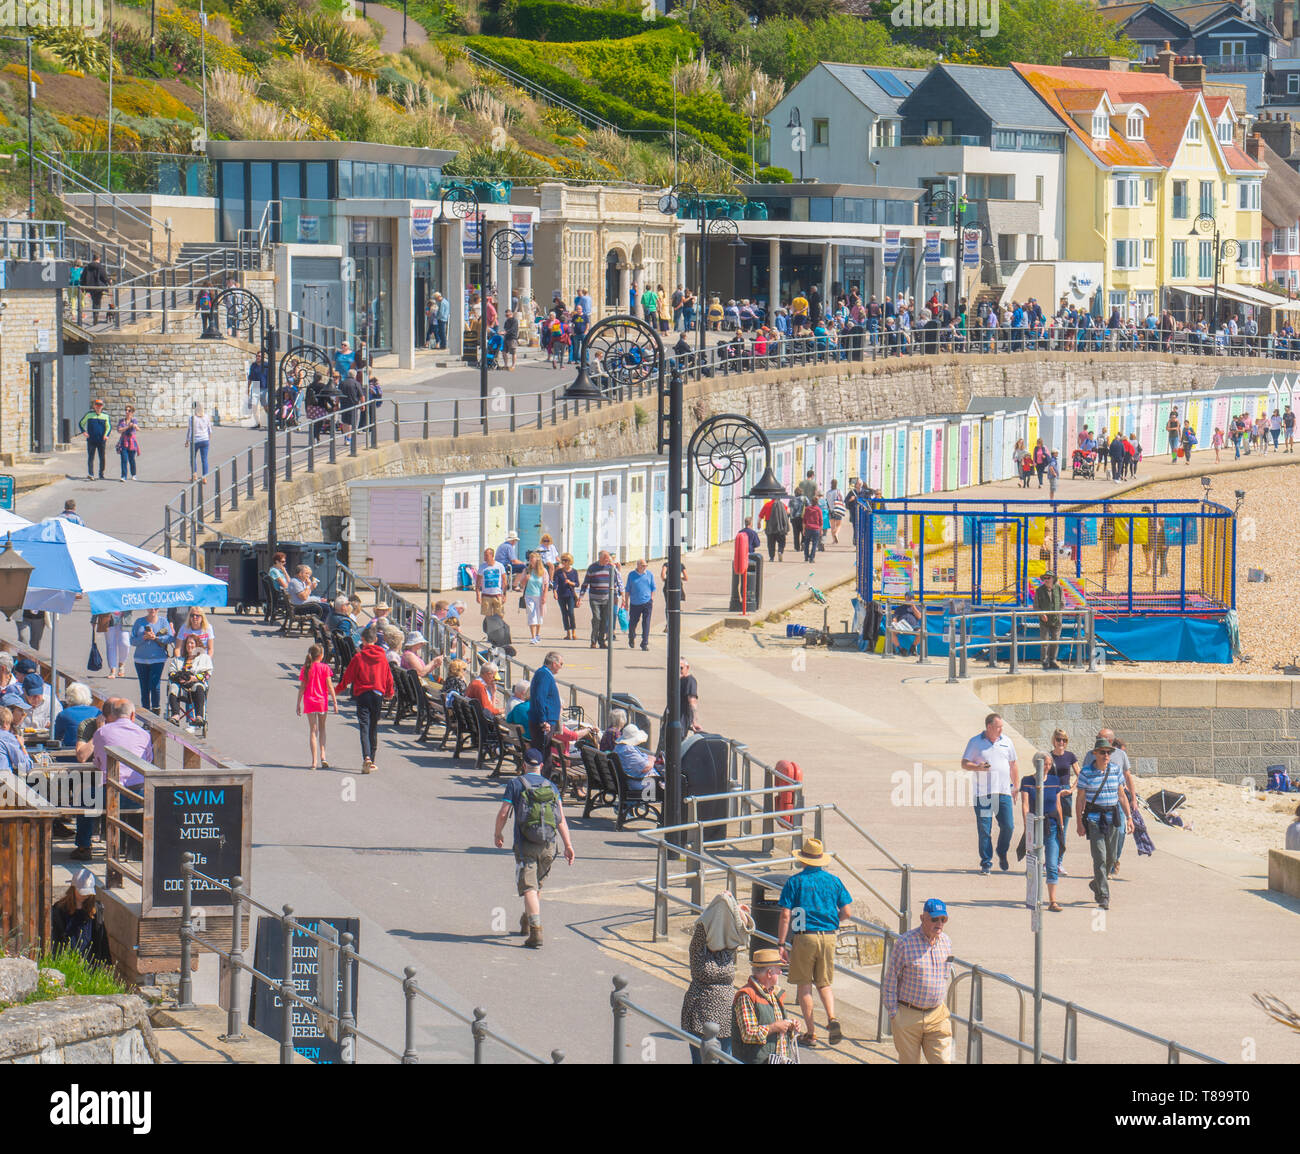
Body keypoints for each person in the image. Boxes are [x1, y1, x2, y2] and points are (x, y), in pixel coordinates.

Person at [493, 747, 575, 949]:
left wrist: (498, 833)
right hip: (548, 844)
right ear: (540, 766)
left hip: (526, 843)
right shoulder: (551, 786)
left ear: (523, 765)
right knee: (536, 885)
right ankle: (527, 918)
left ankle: (536, 930)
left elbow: (504, 813)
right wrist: (568, 845)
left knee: (529, 887)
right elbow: (561, 819)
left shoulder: (516, 784)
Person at [775, 838, 851, 1048]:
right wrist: (832, 920)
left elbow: (785, 914)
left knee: (804, 986)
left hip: (804, 936)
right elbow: (847, 912)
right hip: (828, 936)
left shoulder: (795, 882)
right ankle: (832, 1018)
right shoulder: (834, 881)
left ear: (803, 860)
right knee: (824, 983)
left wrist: (781, 944)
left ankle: (811, 1034)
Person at [881, 898, 954, 1064]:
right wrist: (894, 1014)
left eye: (943, 919)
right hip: (908, 1016)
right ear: (922, 918)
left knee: (943, 1061)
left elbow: (945, 974)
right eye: (935, 919)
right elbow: (891, 979)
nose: (939, 923)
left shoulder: (946, 942)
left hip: (937, 1014)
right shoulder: (905, 943)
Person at [78, 699, 152, 862]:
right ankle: (137, 851)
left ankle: (83, 846)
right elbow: (148, 761)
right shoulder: (144, 734)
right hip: (138, 795)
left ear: (113, 715)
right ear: (132, 715)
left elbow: (97, 762)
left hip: (110, 793)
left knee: (85, 798)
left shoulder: (102, 732)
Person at [681, 891, 750, 1062]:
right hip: (700, 1015)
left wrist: (733, 905)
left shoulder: (728, 947)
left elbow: (745, 930)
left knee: (725, 1059)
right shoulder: (698, 946)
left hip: (726, 1017)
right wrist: (721, 900)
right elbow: (706, 919)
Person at [1075, 736, 1133, 910]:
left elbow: (1122, 795)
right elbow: (1080, 799)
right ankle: (1103, 894)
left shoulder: (1115, 770)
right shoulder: (1086, 772)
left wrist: (1129, 817)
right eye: (1102, 752)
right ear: (1095, 754)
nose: (1106, 755)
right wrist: (1079, 822)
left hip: (1113, 817)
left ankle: (1096, 882)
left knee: (1112, 857)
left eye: (1108, 752)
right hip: (1094, 819)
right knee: (1099, 857)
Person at [961, 712, 1020, 875]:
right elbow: (964, 763)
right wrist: (977, 767)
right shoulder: (975, 742)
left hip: (1004, 792)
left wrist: (1016, 786)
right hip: (984, 794)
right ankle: (986, 862)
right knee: (985, 829)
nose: (1001, 730)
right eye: (998, 727)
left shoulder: (1007, 742)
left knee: (1008, 826)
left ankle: (1001, 851)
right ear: (989, 727)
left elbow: (1013, 765)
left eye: (1002, 727)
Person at [336, 625, 394, 774]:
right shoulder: (382, 657)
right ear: (376, 640)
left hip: (362, 695)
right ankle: (372, 760)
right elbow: (388, 677)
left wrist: (335, 691)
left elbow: (347, 677)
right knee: (373, 727)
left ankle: (366, 757)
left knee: (364, 726)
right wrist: (389, 692)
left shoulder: (358, 657)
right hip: (377, 695)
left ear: (362, 640)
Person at [731, 949, 800, 1064]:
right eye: (778, 969)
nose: (780, 972)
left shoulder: (775, 994)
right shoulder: (746, 995)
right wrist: (774, 1027)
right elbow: (748, 1034)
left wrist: (790, 1027)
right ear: (769, 973)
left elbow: (777, 1027)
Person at [1021, 753, 1065, 912]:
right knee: (1033, 864)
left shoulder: (1054, 781)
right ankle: (1033, 895)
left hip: (1052, 825)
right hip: (1035, 826)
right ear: (1036, 764)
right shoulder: (1027, 781)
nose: (1046, 767)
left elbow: (1058, 804)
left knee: (1052, 864)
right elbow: (1025, 805)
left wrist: (1061, 826)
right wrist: (1027, 825)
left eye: (1048, 764)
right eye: (1043, 764)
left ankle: (1053, 901)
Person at [51, 868, 113, 966]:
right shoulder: (59, 909)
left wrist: (106, 961)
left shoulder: (96, 909)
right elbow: (56, 936)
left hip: (90, 959)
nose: (85, 896)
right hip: (67, 959)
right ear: (73, 889)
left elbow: (101, 936)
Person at [297, 643, 338, 771]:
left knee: (313, 731)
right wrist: (335, 702)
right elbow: (330, 686)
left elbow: (302, 687)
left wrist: (298, 703)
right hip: (322, 701)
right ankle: (323, 755)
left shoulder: (306, 668)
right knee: (322, 728)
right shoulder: (325, 668)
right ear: (321, 656)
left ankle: (314, 761)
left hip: (309, 701)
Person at [130, 607, 173, 713]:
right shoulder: (139, 622)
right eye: (151, 607)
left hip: (158, 659)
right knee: (144, 688)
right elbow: (132, 641)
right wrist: (143, 637)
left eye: (156, 607)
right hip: (141, 659)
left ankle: (155, 710)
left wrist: (156, 638)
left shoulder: (163, 622)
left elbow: (170, 638)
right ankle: (146, 713)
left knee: (155, 685)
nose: (153, 609)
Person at [578, 549, 622, 650]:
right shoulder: (592, 568)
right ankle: (593, 641)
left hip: (607, 599)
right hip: (595, 598)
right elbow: (585, 583)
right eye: (606, 558)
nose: (608, 560)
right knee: (597, 618)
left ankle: (601, 641)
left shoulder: (611, 567)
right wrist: (580, 597)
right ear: (601, 558)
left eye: (609, 559)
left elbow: (616, 582)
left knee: (604, 620)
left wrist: (617, 596)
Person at [166, 635, 212, 728]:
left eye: (192, 643)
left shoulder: (204, 658)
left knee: (199, 687)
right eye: (187, 643)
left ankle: (199, 717)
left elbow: (207, 674)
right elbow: (171, 673)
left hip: (195, 685)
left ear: (197, 645)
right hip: (180, 686)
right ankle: (175, 715)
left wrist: (194, 678)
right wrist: (180, 678)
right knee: (173, 687)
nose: (189, 645)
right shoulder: (178, 660)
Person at [527, 651, 563, 768]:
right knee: (542, 753)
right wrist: (543, 720)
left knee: (545, 753)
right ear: (553, 663)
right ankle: (540, 780)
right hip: (544, 722)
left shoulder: (542, 673)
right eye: (561, 664)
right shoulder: (544, 675)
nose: (561, 667)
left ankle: (543, 780)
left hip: (545, 719)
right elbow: (539, 698)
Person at [623, 558, 655, 651]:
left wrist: (652, 598)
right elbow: (628, 589)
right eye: (643, 565)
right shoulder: (631, 575)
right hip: (635, 603)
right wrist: (626, 602)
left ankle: (644, 643)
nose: (645, 567)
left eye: (646, 566)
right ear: (638, 565)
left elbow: (653, 588)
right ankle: (631, 637)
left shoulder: (649, 574)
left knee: (646, 623)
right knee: (633, 623)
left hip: (647, 602)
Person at [53, 683, 99, 749]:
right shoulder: (97, 712)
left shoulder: (64, 714)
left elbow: (56, 737)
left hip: (70, 753)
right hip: (94, 752)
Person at [1034, 572, 1064, 670]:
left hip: (1056, 620)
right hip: (1044, 621)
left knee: (1055, 640)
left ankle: (1053, 660)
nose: (1046, 579)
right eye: (1045, 578)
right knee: (1045, 641)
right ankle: (1045, 661)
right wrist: (1042, 614)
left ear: (1053, 579)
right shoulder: (1039, 590)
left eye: (1048, 578)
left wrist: (1058, 613)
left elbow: (1063, 603)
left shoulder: (1059, 589)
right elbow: (1036, 606)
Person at [78, 398, 111, 480]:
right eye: (97, 405)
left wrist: (106, 435)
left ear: (102, 406)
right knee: (91, 457)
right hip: (91, 440)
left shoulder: (105, 416)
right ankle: (91, 474)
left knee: (102, 457)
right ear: (94, 406)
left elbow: (109, 427)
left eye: (100, 405)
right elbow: (81, 423)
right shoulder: (89, 415)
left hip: (101, 440)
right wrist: (84, 432)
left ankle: (101, 473)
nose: (98, 407)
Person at [522, 554, 550, 645]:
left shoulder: (543, 571)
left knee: (539, 616)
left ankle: (537, 634)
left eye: (532, 559)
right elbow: (521, 584)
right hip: (529, 596)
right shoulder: (527, 570)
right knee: (532, 615)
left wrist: (544, 596)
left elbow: (546, 585)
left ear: (537, 560)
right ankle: (533, 637)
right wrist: (525, 579)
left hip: (539, 596)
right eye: (529, 559)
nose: (530, 561)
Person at [553, 553, 579, 641]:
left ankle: (574, 632)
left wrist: (570, 582)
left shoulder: (574, 571)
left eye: (566, 560)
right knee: (564, 613)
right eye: (563, 560)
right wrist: (554, 591)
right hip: (561, 594)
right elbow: (555, 582)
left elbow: (577, 583)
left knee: (571, 613)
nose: (564, 562)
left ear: (570, 561)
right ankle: (568, 633)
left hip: (570, 595)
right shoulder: (558, 572)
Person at [474, 546, 507, 612]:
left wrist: (504, 595)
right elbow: (478, 582)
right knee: (488, 616)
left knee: (499, 615)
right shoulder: (482, 567)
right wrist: (478, 595)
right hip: (486, 595)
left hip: (497, 595)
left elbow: (504, 581)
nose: (485, 557)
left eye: (487, 555)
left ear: (492, 555)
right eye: (484, 555)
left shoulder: (500, 566)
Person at [0, 704, 31, 773]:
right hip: (3, 780)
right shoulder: (7, 737)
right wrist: (22, 746)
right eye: (9, 723)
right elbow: (25, 767)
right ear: (5, 725)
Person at [186, 404, 212, 481]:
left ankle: (194, 475)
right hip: (205, 440)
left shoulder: (192, 418)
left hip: (195, 441)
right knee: (204, 459)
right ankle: (205, 477)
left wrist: (187, 441)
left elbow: (190, 430)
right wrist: (208, 438)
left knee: (193, 458)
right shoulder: (206, 417)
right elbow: (209, 429)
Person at [760, 494, 790, 561]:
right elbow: (788, 512)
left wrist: (758, 523)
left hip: (769, 527)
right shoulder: (781, 505)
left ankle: (771, 557)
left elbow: (761, 515)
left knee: (771, 543)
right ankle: (780, 551)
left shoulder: (767, 505)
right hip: (780, 527)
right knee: (782, 541)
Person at [115, 405, 140, 482]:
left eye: (129, 410)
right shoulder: (121, 421)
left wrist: (135, 426)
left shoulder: (134, 420)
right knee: (124, 459)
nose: (127, 412)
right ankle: (123, 476)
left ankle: (133, 474)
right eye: (126, 410)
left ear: (132, 412)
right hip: (123, 442)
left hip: (131, 443)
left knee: (131, 459)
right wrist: (127, 427)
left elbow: (138, 428)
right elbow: (119, 430)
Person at [679, 658, 700, 732]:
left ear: (687, 667)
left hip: (682, 721)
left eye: (681, 668)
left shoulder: (690, 681)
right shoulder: (678, 680)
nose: (679, 671)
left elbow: (692, 702)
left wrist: (695, 721)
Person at [801, 494, 823, 563]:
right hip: (816, 529)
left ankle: (806, 557)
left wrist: (804, 529)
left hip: (808, 528)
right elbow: (821, 521)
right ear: (817, 503)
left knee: (806, 543)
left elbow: (804, 520)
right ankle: (812, 558)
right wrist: (821, 530)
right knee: (814, 544)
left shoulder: (807, 509)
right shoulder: (818, 510)